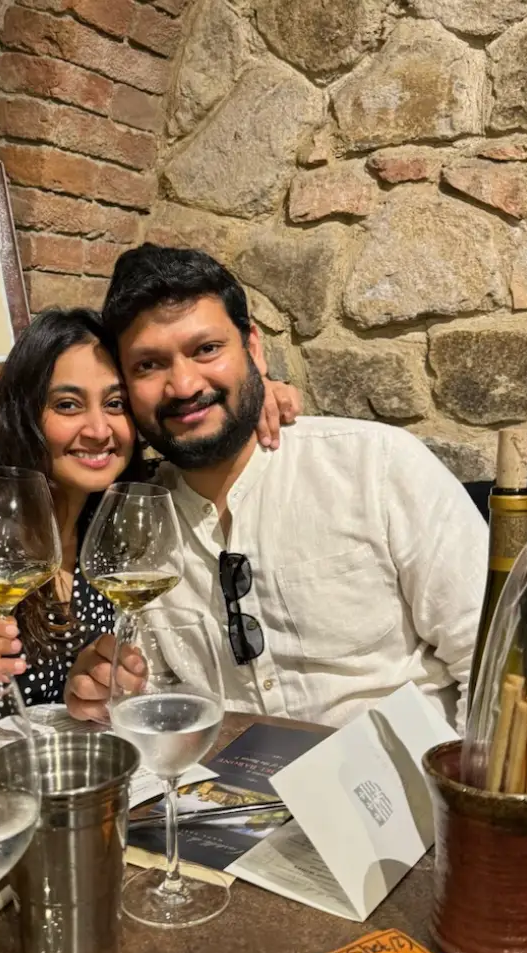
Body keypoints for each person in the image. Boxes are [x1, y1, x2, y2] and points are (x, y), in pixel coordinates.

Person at [0, 308, 303, 763]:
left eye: (114, 404)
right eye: (67, 405)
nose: (98, 429)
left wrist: (257, 399)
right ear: (26, 417)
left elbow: (195, 427)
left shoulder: (111, 529)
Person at [63, 245, 488, 729]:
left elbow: (497, 663)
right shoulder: (139, 521)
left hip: (400, 787)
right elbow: (154, 695)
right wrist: (106, 690)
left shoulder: (376, 466)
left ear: (254, 349)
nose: (182, 386)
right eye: (148, 365)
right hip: (225, 794)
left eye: (206, 349)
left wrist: (468, 798)